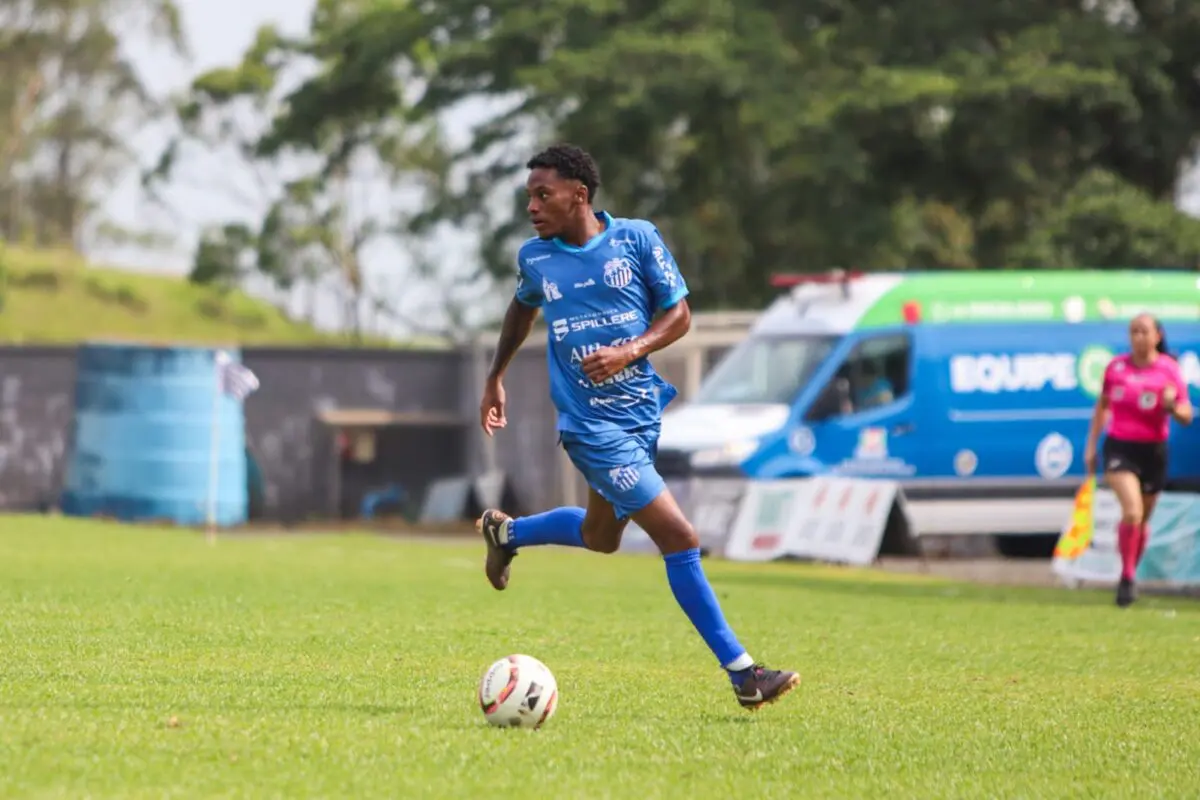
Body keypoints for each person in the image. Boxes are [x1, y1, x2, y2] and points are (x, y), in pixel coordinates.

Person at [476, 144, 800, 710]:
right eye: (529, 195)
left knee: (601, 539)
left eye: (542, 194)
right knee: (679, 537)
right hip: (590, 428)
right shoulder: (536, 258)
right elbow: (521, 308)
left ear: (580, 194)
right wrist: (495, 376)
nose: (532, 206)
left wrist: (631, 350)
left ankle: (507, 535)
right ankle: (745, 674)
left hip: (640, 416)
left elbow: (679, 315)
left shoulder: (637, 239)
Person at [1084, 313, 1192, 607]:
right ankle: (1128, 576)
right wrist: (1092, 445)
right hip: (1120, 447)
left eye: (1144, 331)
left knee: (1142, 520)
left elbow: (1186, 415)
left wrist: (1171, 405)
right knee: (1131, 511)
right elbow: (1103, 407)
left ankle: (1129, 569)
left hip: (1153, 451)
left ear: (1157, 335)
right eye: (1133, 331)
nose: (1138, 337)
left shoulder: (1168, 370)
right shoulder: (1116, 367)